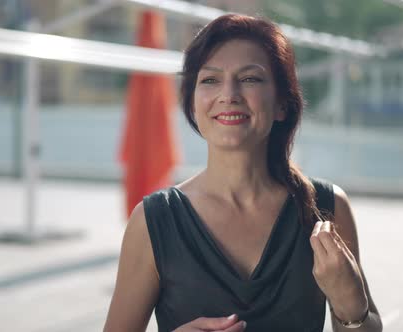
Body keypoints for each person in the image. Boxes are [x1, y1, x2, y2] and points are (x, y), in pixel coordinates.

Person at [104, 14, 382, 332]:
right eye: (210, 80)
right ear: (193, 105)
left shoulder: (327, 210)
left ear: (281, 104)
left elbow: (366, 324)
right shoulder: (153, 221)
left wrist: (351, 304)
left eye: (250, 78)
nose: (229, 94)